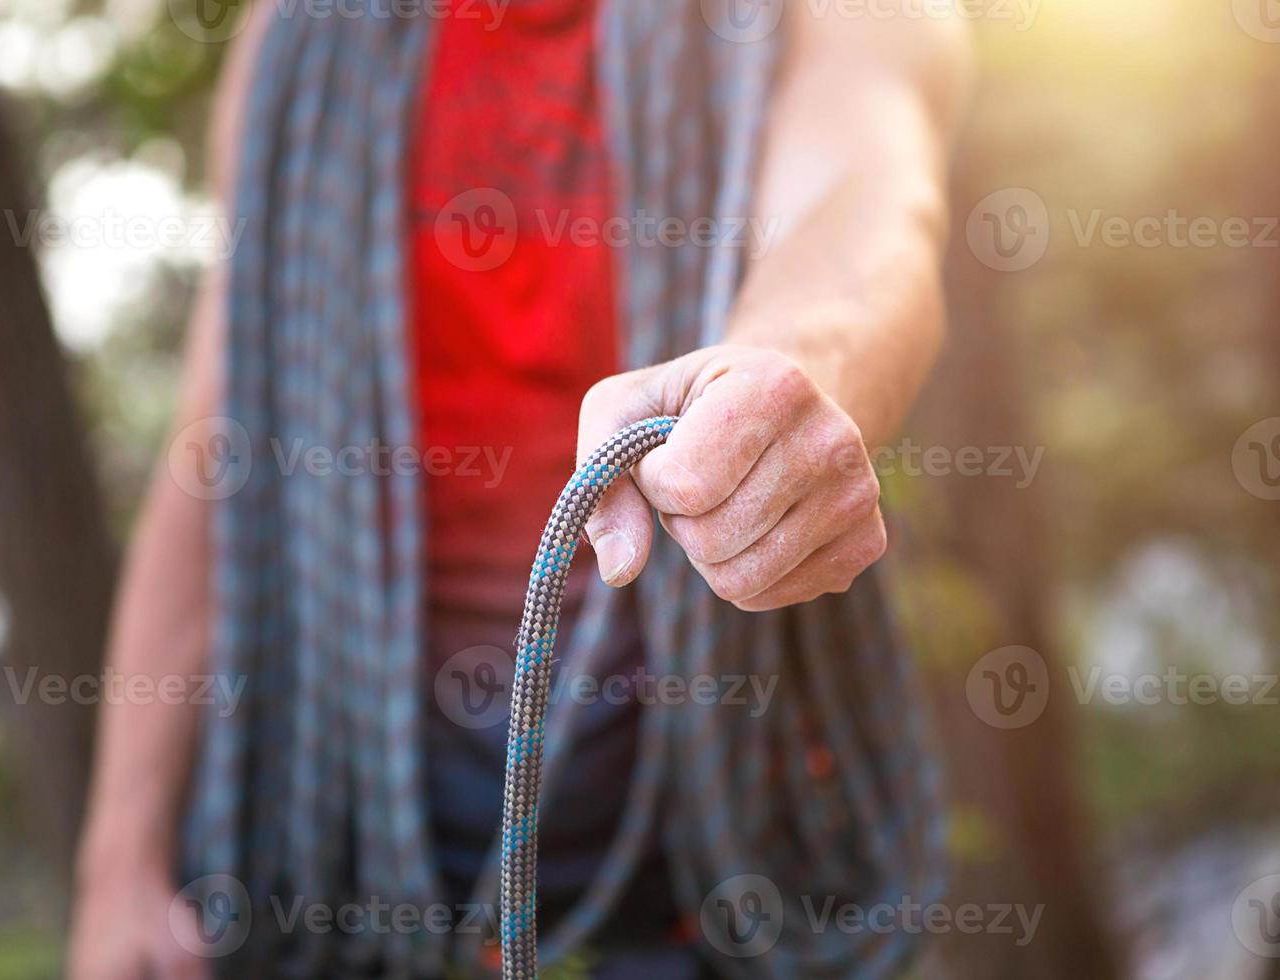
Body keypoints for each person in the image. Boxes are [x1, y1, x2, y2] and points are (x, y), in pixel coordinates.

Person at [67, 0, 971, 977]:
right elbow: (221, 439)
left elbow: (868, 202)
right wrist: (118, 861)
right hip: (339, 845)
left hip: (707, 839)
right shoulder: (298, 32)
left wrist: (782, 374)